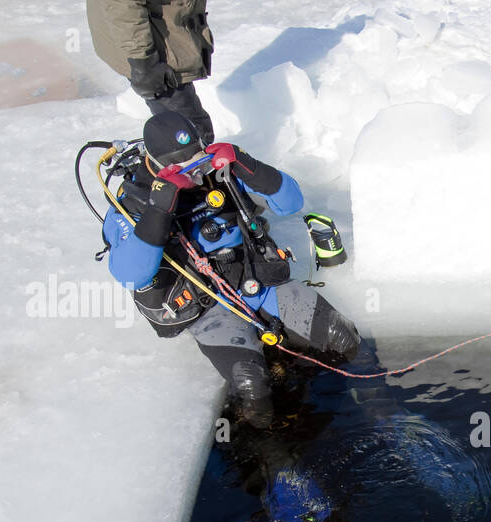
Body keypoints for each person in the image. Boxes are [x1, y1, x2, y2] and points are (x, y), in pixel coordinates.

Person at [101, 110, 361, 427]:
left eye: (200, 163)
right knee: (253, 389)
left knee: (343, 336)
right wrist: (159, 209)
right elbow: (131, 275)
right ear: (159, 167)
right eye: (188, 171)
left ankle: (348, 411)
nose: (199, 177)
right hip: (207, 305)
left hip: (257, 282)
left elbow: (290, 202)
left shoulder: (219, 173)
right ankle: (270, 451)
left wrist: (244, 164)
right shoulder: (132, 206)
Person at [87, 0, 216, 144]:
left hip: (168, 35)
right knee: (191, 138)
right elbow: (121, 5)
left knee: (192, 134)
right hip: (152, 50)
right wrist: (144, 62)